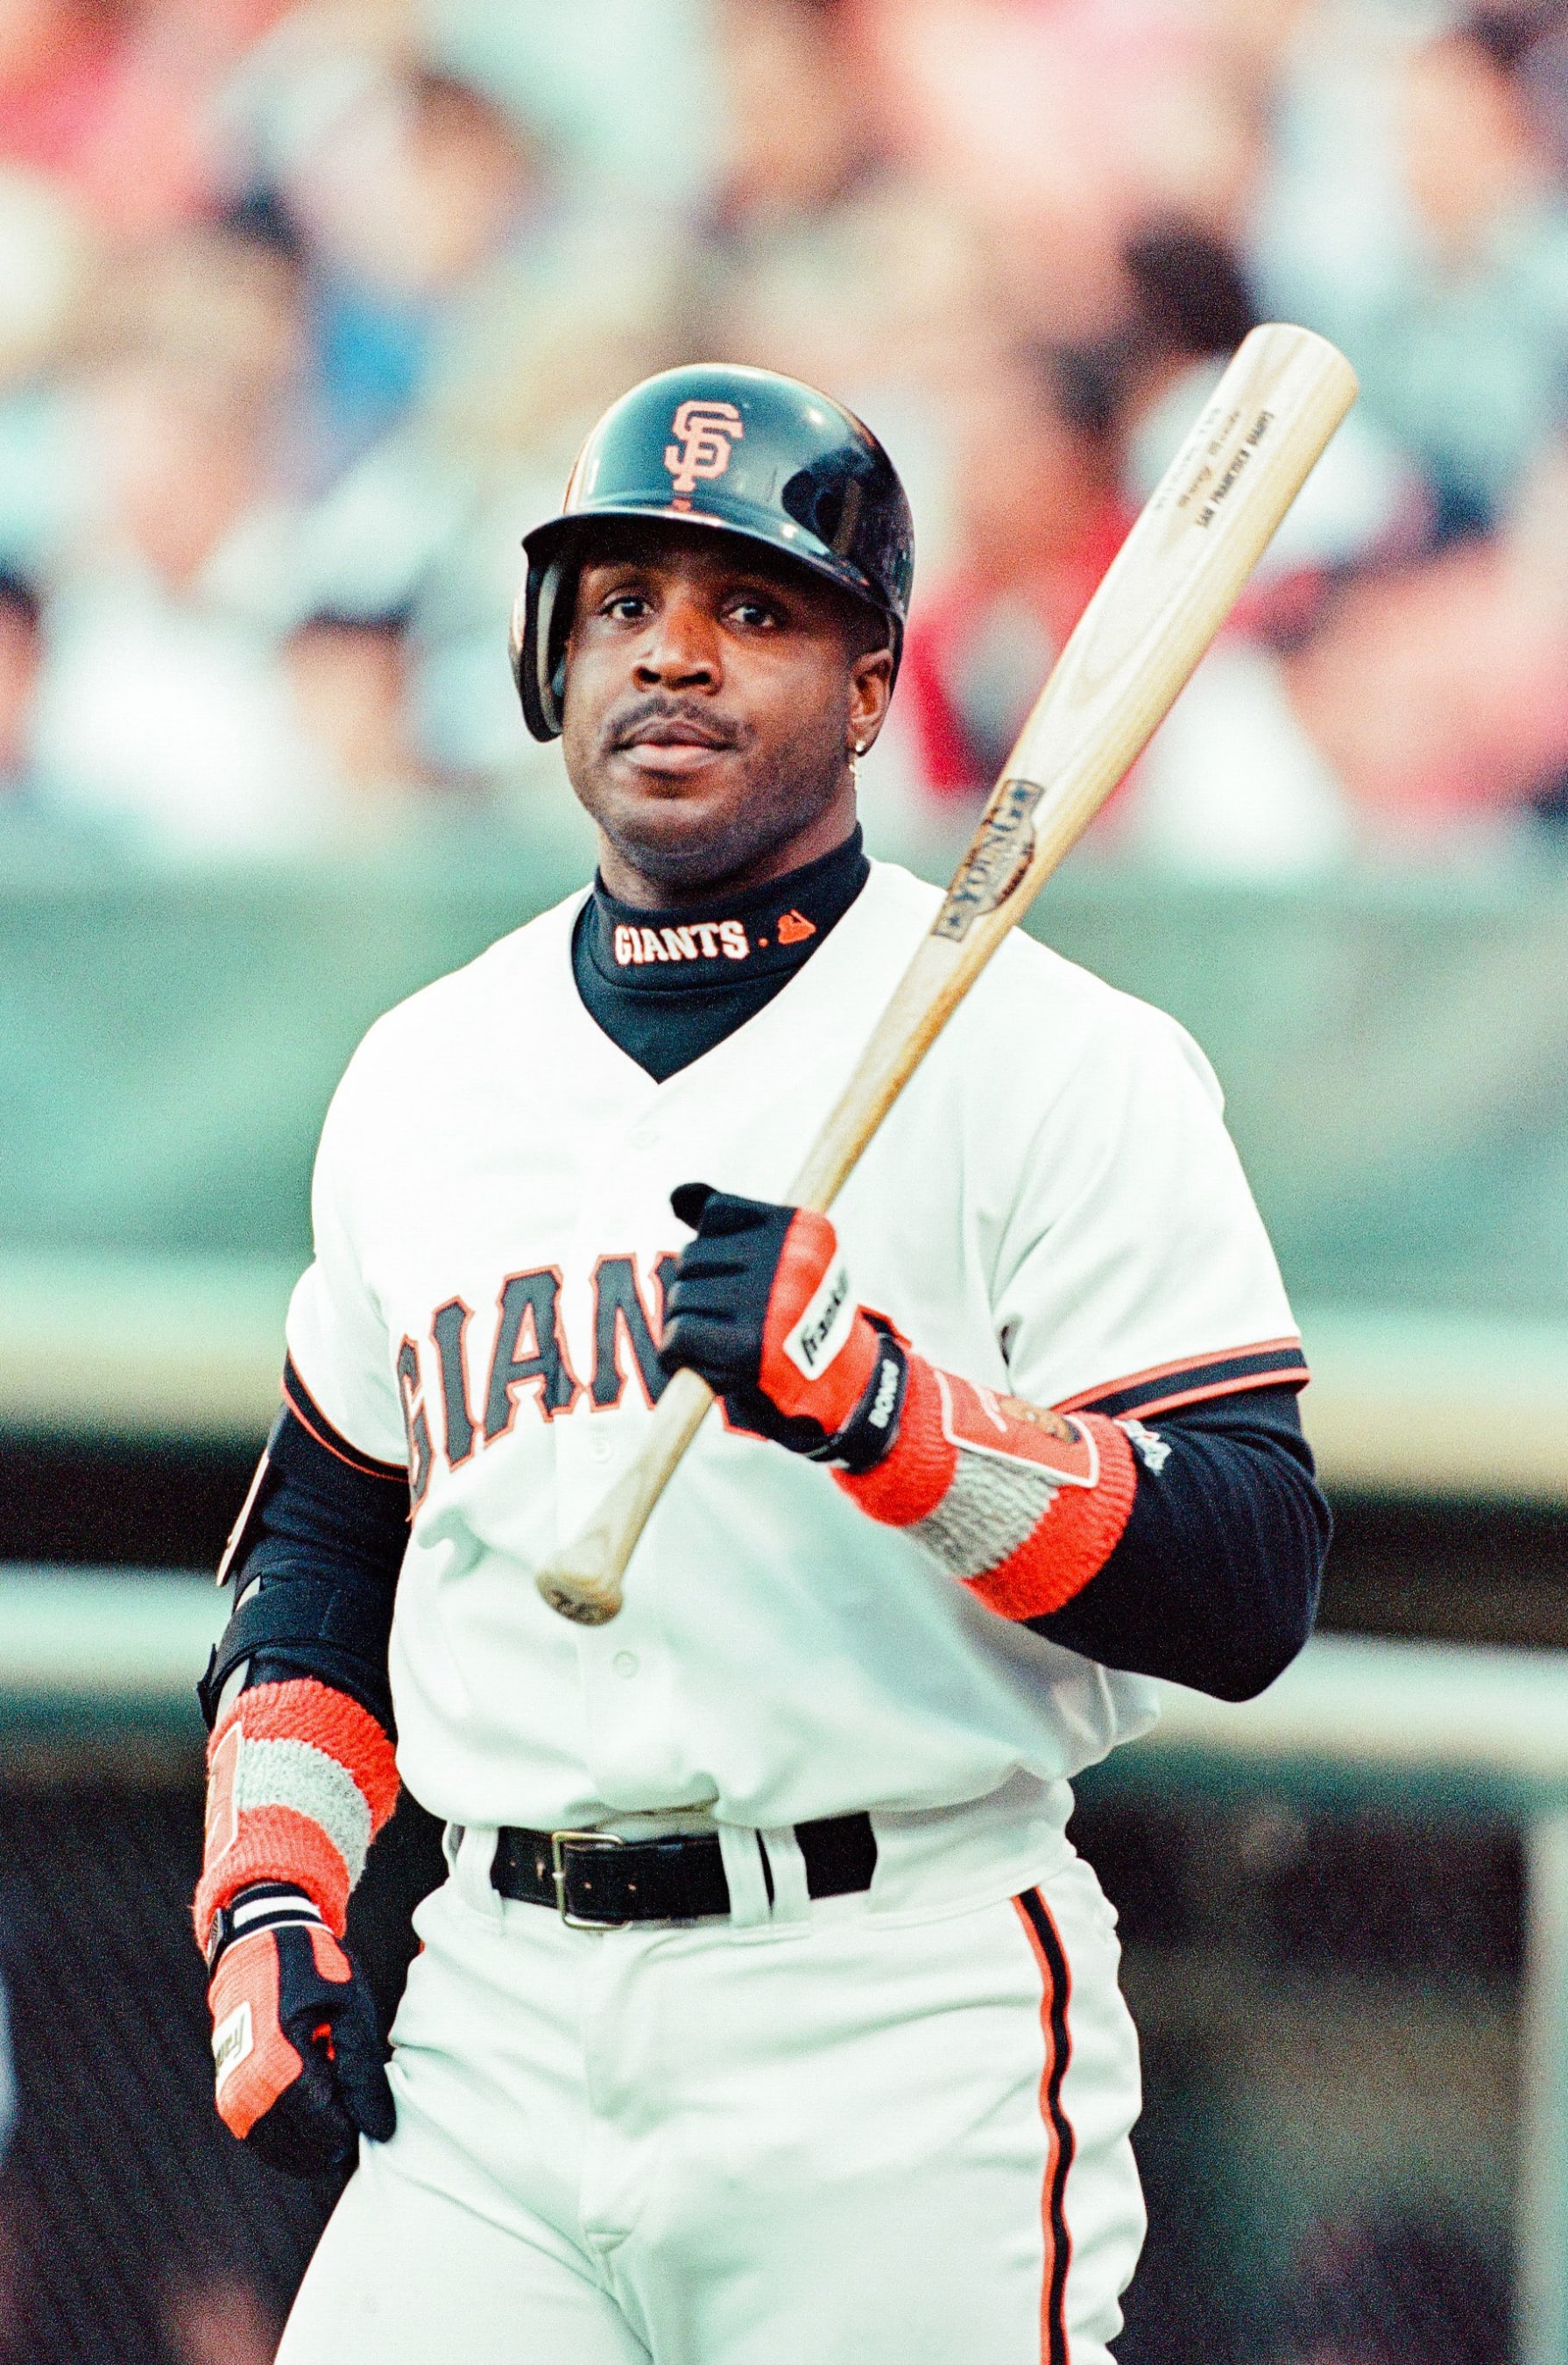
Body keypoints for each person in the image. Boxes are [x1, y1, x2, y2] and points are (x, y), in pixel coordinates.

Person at [191, 363, 1330, 2363]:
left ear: (873, 682)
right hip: (495, 2018)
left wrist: (890, 1418)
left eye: (754, 607)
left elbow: (1250, 1573)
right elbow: (324, 1550)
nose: (674, 655)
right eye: (623, 603)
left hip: (888, 2019)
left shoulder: (1059, 1060)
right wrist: (273, 1894)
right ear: (548, 665)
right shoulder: (423, 1073)